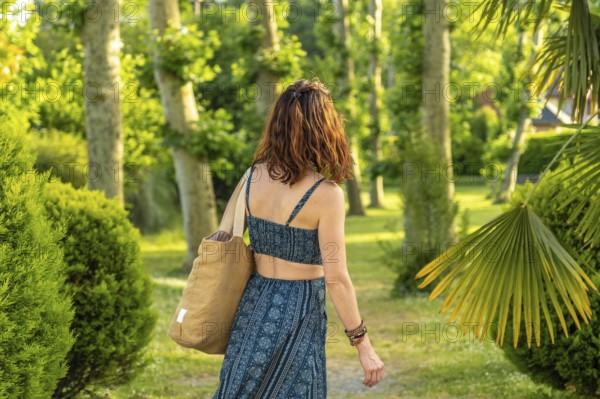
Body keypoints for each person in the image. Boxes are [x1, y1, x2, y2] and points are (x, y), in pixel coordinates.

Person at [212, 78, 384, 398]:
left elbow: (223, 239)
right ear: (325, 128)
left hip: (252, 305)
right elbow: (337, 280)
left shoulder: (252, 176)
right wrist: (364, 345)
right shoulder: (326, 195)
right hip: (299, 310)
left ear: (277, 124)